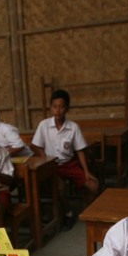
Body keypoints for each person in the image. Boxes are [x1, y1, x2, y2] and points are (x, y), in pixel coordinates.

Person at [31, 89, 98, 230]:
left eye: (62, 107)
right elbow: (35, 145)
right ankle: (68, 214)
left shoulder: (73, 127)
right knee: (60, 188)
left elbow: (80, 150)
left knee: (93, 185)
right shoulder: (44, 125)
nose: (58, 110)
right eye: (55, 106)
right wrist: (45, 160)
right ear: (51, 108)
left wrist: (86, 171)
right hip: (51, 166)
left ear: (67, 108)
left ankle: (86, 212)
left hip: (69, 164)